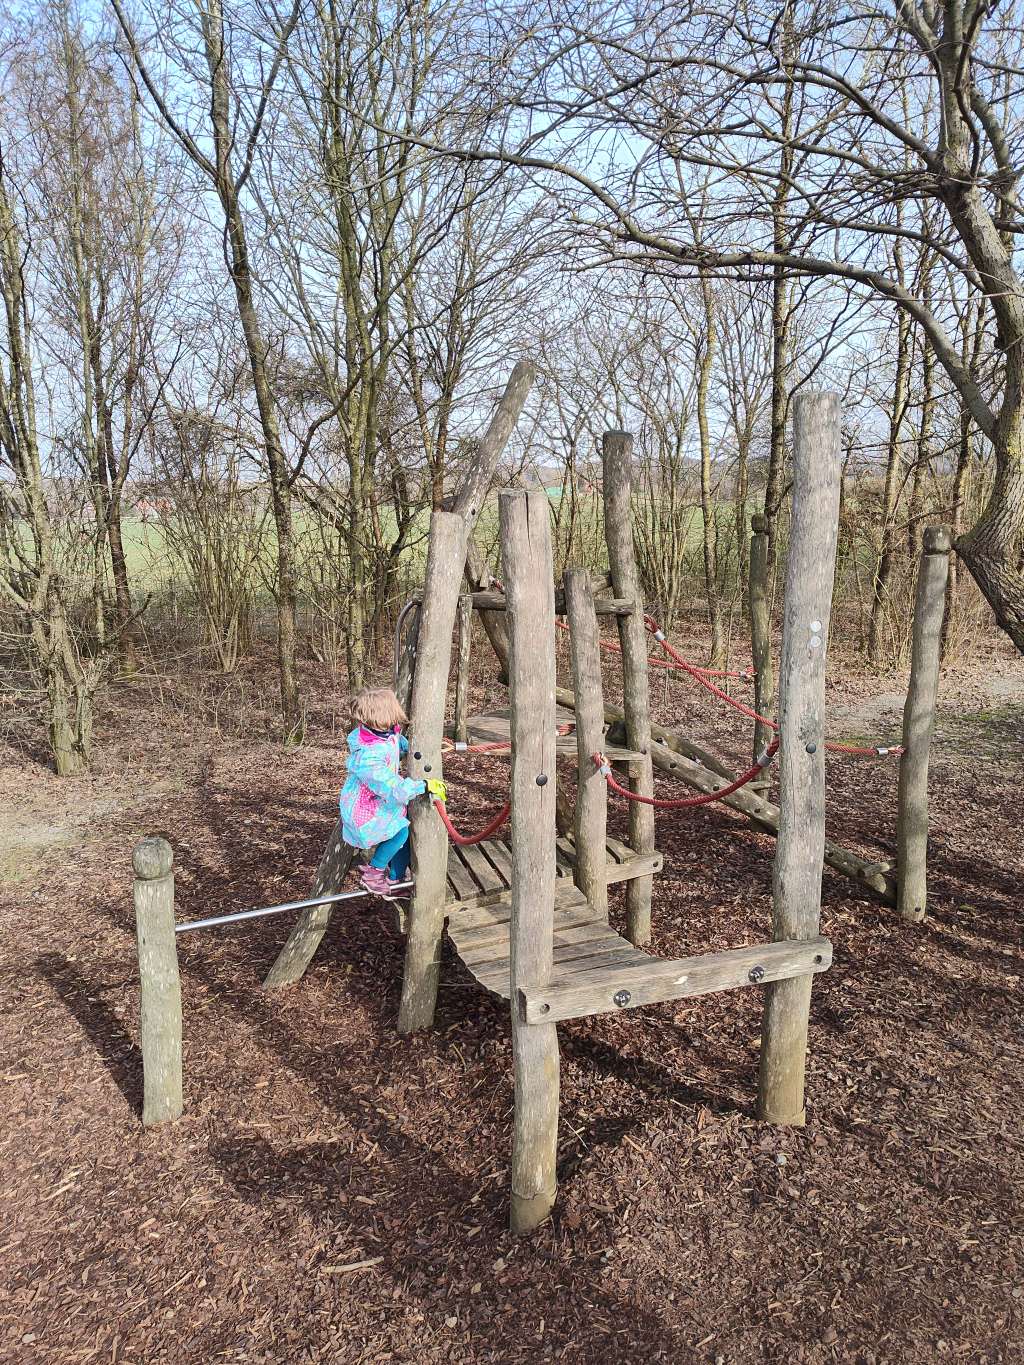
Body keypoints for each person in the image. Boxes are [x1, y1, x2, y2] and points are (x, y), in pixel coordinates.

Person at [339, 687, 445, 897]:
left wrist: (408, 746)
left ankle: (396, 878)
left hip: (378, 801)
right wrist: (422, 785)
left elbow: (394, 741)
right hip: (365, 808)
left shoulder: (381, 733)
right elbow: (391, 787)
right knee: (400, 832)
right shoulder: (369, 757)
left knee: (402, 831)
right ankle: (373, 873)